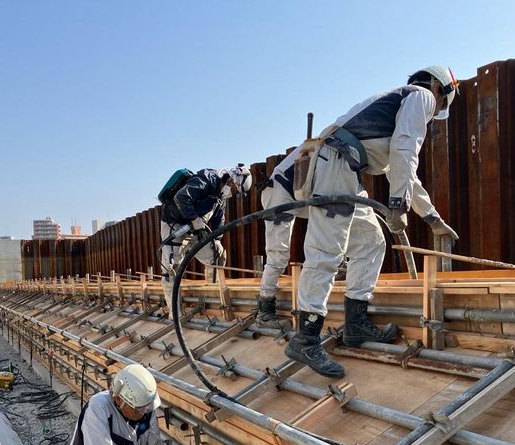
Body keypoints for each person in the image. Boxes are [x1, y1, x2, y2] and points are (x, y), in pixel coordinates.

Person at [279, 66, 460, 379]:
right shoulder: (422, 97)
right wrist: (397, 204)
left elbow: (403, 172)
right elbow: (405, 149)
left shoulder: (397, 100)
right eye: (441, 106)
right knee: (327, 252)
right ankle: (305, 338)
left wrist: (432, 217)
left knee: (371, 242)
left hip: (345, 170)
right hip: (337, 165)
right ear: (439, 87)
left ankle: (355, 324)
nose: (435, 113)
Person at [159, 166, 251, 311]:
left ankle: (212, 297)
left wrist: (217, 239)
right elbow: (181, 197)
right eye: (235, 190)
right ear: (232, 181)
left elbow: (219, 220)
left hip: (195, 228)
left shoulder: (221, 197)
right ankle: (175, 312)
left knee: (217, 255)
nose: (233, 194)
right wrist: (195, 219)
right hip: (174, 224)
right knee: (172, 269)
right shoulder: (206, 179)